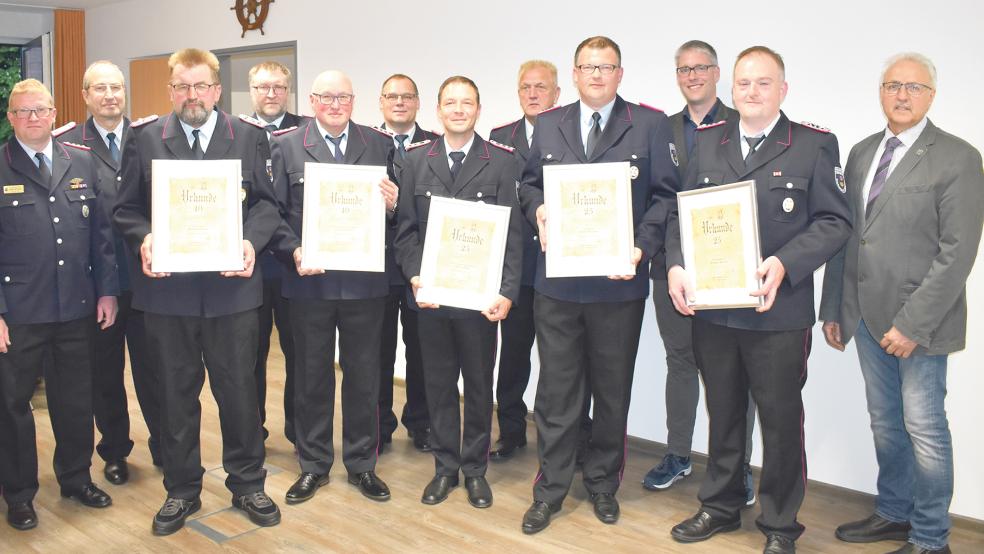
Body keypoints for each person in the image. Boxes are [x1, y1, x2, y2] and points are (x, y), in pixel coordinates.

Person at [665, 46, 851, 554]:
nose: (752, 92)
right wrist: (677, 264)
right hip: (717, 311)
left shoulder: (813, 145)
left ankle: (779, 526)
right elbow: (681, 215)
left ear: (783, 89)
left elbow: (835, 222)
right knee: (722, 413)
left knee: (780, 423)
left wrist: (787, 262)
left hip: (778, 315)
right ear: (732, 89)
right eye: (744, 83)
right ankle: (721, 506)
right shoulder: (707, 143)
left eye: (763, 83)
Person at [820, 53, 984, 554]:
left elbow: (958, 253)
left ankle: (932, 538)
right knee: (885, 421)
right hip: (865, 316)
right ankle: (894, 512)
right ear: (881, 91)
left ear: (932, 95)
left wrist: (912, 324)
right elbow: (849, 236)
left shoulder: (958, 157)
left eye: (914, 87)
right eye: (893, 85)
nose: (902, 95)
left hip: (921, 325)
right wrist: (833, 306)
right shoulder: (863, 152)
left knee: (925, 428)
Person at [114, 48, 282, 535]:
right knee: (175, 397)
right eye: (182, 86)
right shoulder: (144, 139)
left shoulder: (249, 137)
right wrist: (145, 237)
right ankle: (182, 489)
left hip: (232, 295)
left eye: (201, 85)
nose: (192, 95)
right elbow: (125, 209)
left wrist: (251, 243)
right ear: (171, 91)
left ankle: (248, 482)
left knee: (240, 394)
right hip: (168, 298)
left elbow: (268, 207)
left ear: (216, 89)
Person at [518, 36, 679, 534]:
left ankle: (603, 484)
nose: (595, 75)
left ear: (620, 74)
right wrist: (539, 209)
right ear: (575, 71)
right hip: (558, 287)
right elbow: (527, 183)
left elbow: (665, 195)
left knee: (612, 392)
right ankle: (550, 489)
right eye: (587, 66)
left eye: (605, 67)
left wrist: (641, 246)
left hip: (617, 284)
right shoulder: (548, 123)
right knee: (557, 394)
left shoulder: (650, 124)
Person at [393, 75, 522, 509]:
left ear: (479, 110)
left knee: (480, 386)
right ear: (438, 110)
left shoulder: (502, 162)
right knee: (439, 385)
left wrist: (506, 291)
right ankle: (445, 468)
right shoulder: (415, 160)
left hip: (479, 301)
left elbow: (513, 236)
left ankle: (475, 471)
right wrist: (415, 278)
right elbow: (406, 231)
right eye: (451, 102)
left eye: (467, 102)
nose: (459, 109)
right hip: (432, 298)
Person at [270, 70, 395, 505]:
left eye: (343, 96)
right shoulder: (285, 145)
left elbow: (397, 214)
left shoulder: (380, 145)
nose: (335, 104)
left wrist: (393, 204)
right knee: (311, 377)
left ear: (354, 100)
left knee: (365, 377)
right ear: (313, 100)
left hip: (364, 285)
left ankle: (362, 464)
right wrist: (294, 250)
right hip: (310, 283)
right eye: (327, 96)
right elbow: (274, 212)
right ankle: (313, 465)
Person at [642, 40, 757, 506]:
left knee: (733, 373)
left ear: (716, 72)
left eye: (700, 68)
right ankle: (677, 454)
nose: (692, 76)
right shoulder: (661, 129)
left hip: (727, 269)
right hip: (670, 269)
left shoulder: (742, 122)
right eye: (683, 69)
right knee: (680, 362)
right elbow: (657, 197)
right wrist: (668, 260)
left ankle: (738, 468)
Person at [1, 78, 118, 530]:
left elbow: (102, 236)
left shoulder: (81, 161)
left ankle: (75, 478)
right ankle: (19, 493)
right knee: (12, 406)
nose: (33, 118)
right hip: (19, 312)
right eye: (23, 112)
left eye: (40, 110)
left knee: (75, 399)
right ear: (11, 119)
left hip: (75, 305)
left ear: (54, 113)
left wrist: (107, 291)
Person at [57, 60, 161, 485]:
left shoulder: (151, 139)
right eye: (99, 88)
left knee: (157, 370)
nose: (110, 96)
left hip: (152, 279)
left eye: (116, 87)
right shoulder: (68, 147)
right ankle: (115, 450)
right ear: (85, 96)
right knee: (105, 375)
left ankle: (166, 445)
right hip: (99, 283)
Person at [487, 60, 560, 461]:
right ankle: (511, 432)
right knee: (513, 356)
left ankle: (563, 435)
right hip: (514, 267)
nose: (533, 94)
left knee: (559, 360)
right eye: (526, 88)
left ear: (556, 94)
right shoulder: (500, 137)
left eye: (541, 88)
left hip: (557, 267)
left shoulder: (570, 134)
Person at [377, 73, 438, 453]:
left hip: (422, 265)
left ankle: (422, 422)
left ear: (418, 103)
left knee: (423, 350)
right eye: (392, 96)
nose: (399, 102)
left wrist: (401, 204)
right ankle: (379, 424)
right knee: (377, 350)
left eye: (407, 97)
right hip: (378, 266)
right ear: (381, 102)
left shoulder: (435, 146)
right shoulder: (365, 144)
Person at [247, 60, 302, 444]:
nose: (271, 94)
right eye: (264, 87)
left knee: (301, 357)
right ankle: (253, 431)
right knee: (250, 358)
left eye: (279, 87)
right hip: (249, 266)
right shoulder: (237, 133)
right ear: (251, 91)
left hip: (294, 265)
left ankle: (300, 432)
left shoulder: (308, 131)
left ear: (288, 90)